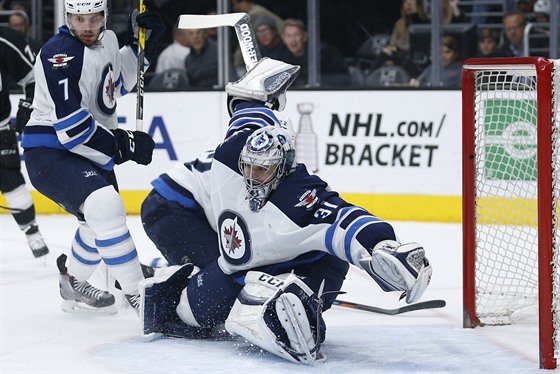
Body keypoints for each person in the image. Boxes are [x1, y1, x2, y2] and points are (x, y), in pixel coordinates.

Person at [140, 57, 433, 364]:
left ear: (283, 169)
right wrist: (256, 91)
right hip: (177, 206)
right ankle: (164, 272)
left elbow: (345, 218)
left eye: (263, 171)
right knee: (195, 318)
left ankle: (308, 303)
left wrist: (382, 244)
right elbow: (246, 110)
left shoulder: (299, 197)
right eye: (249, 168)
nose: (253, 178)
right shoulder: (230, 159)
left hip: (243, 250)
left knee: (325, 257)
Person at [20, 0, 165, 314]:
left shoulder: (108, 40)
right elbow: (71, 126)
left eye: (94, 18)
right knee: (105, 207)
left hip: (88, 152)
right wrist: (123, 143)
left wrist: (145, 42)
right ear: (68, 17)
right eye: (79, 18)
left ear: (104, 16)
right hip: (51, 151)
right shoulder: (58, 54)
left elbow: (120, 83)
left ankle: (73, 281)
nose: (87, 26)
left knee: (95, 223)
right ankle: (139, 296)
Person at [0, 25, 49, 260]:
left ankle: (32, 231)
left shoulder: (5, 38)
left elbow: (33, 75)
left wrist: (30, 101)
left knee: (10, 179)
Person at [280, 18, 350, 87]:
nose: (293, 40)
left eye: (296, 35)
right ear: (283, 39)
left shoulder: (324, 53)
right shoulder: (280, 59)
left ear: (304, 36)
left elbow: (344, 78)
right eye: (289, 35)